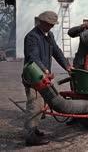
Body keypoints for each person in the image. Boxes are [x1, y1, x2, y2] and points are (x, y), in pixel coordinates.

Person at [23, 11, 72, 146]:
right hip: (34, 76)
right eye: (49, 24)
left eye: (52, 25)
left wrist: (67, 66)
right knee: (35, 105)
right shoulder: (32, 37)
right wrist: (44, 70)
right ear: (41, 22)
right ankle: (30, 136)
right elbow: (33, 57)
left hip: (44, 75)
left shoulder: (48, 35)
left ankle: (35, 129)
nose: (51, 27)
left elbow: (56, 51)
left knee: (45, 102)